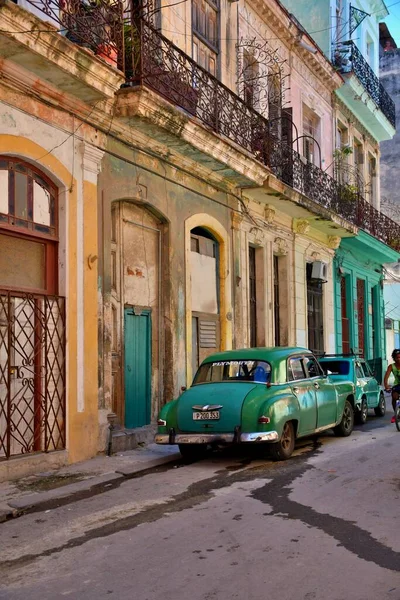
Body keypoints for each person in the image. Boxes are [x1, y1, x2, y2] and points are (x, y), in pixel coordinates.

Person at [383, 349, 400, 423]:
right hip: (397, 385)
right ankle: (396, 413)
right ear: (394, 358)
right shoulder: (391, 366)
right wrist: (386, 386)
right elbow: (386, 376)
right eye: (397, 357)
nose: (398, 359)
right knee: (394, 397)